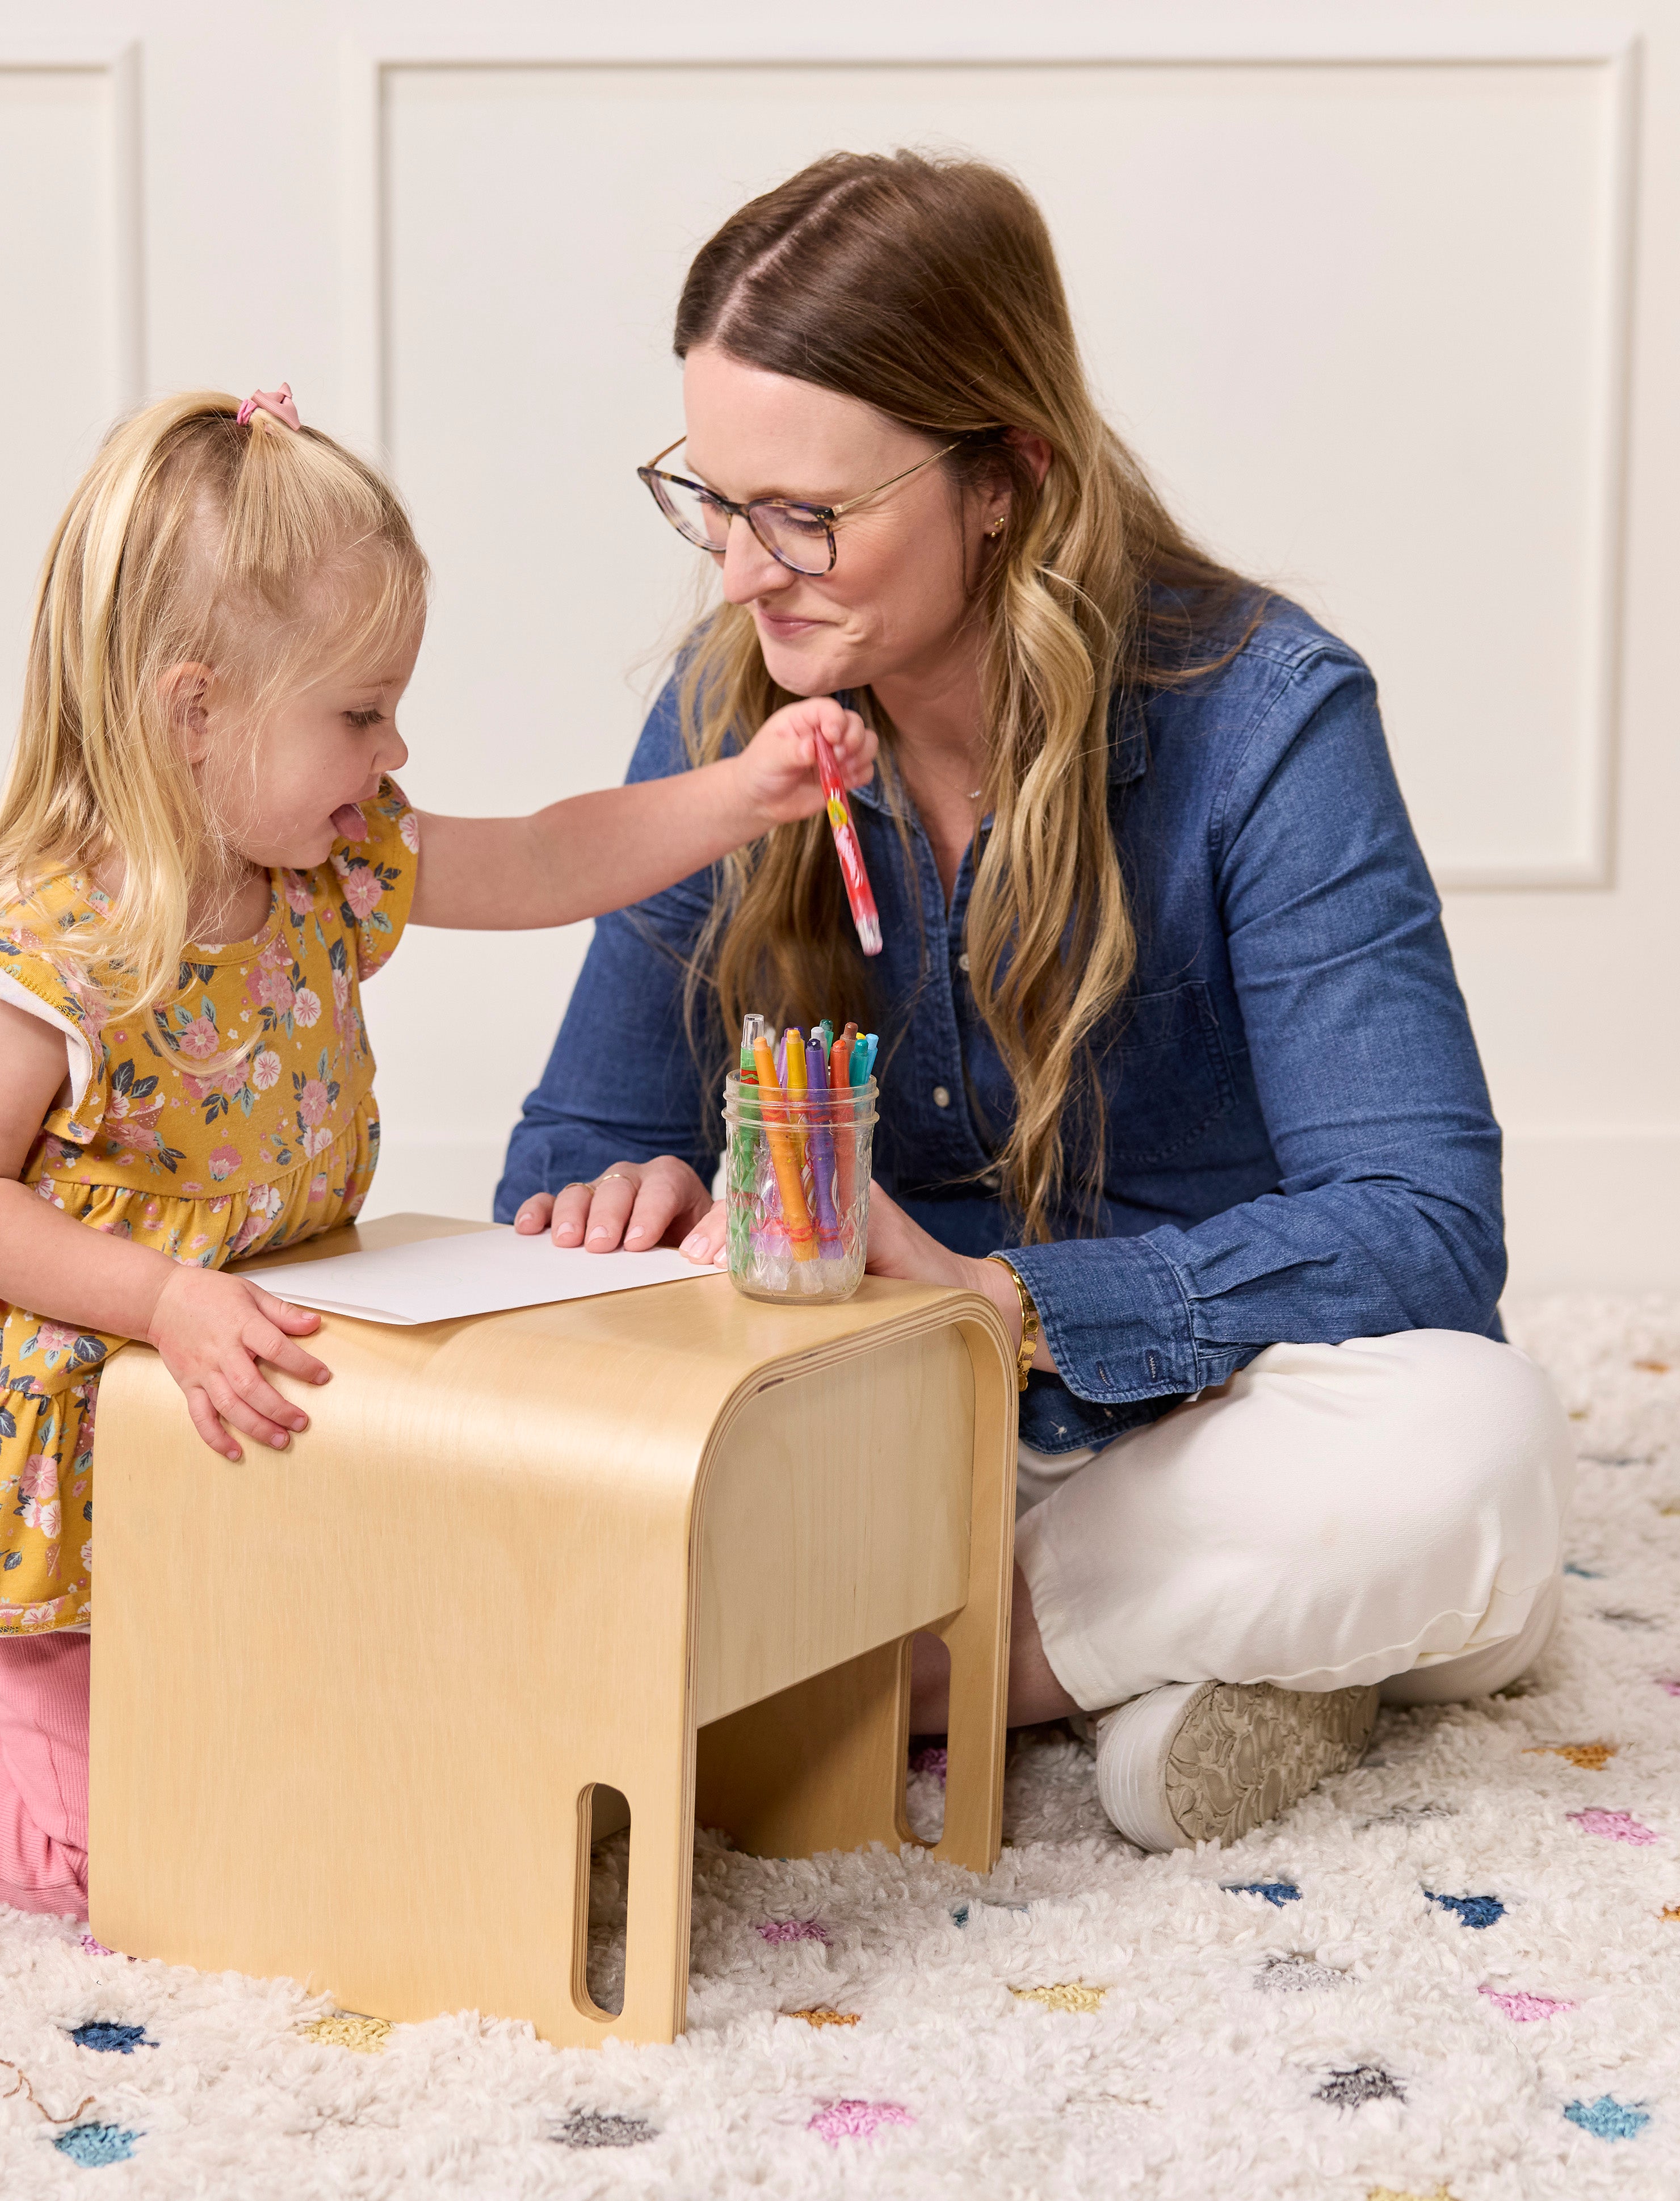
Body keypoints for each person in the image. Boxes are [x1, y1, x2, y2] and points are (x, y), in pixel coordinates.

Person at [0, 383, 877, 1911]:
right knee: (130, 1853)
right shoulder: (64, 945)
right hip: (95, 1457)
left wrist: (747, 792)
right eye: (360, 712)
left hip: (245, 1424)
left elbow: (556, 859)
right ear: (193, 712)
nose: (398, 742)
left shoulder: (334, 864)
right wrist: (161, 1299)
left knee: (324, 1749)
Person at [501, 154, 1570, 1853]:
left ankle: (877, 1679)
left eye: (807, 518)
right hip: (867, 1454)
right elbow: (576, 1143)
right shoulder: (734, 714)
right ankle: (1194, 1657)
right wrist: (639, 1200)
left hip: (1197, 1417)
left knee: (1473, 1451)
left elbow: (1425, 1228)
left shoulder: (1262, 718)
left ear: (1005, 479)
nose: (739, 576)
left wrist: (1008, 1303)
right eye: (711, 500)